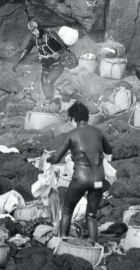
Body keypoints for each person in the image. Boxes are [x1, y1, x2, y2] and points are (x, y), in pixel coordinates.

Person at [46, 102, 113, 243]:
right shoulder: (98, 132)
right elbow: (109, 151)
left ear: (73, 118)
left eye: (70, 120)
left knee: (67, 210)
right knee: (91, 215)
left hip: (81, 178)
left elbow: (57, 158)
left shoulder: (72, 134)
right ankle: (93, 245)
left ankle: (64, 241)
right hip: (99, 179)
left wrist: (47, 158)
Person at [12, 18, 66, 100]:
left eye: (35, 30)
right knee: (44, 85)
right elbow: (26, 50)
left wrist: (59, 54)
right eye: (32, 31)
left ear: (39, 28)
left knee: (49, 82)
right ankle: (49, 101)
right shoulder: (34, 39)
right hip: (46, 66)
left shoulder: (50, 35)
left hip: (57, 65)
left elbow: (63, 48)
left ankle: (52, 101)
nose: (33, 33)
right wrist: (18, 62)